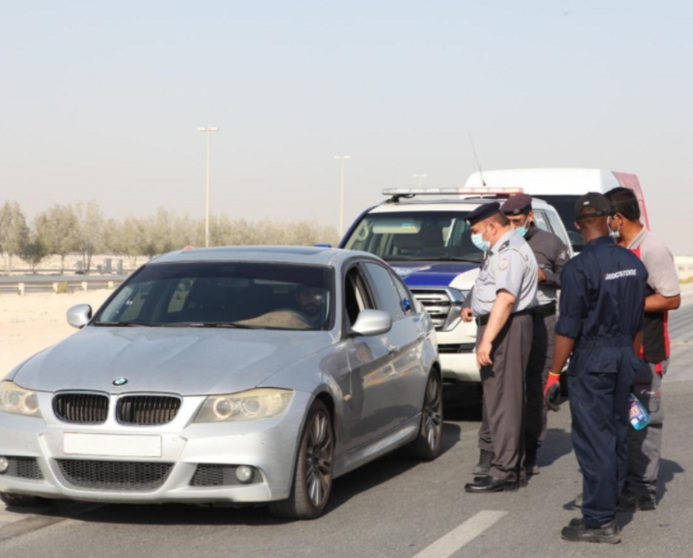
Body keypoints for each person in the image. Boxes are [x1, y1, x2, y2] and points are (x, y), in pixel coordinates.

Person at [543, 192, 647, 544]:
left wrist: (555, 374)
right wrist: (631, 362)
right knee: (617, 432)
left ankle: (599, 519)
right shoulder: (633, 262)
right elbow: (637, 323)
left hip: (594, 358)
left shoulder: (577, 268)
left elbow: (567, 328)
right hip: (624, 355)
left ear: (577, 226)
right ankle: (611, 500)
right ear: (609, 219)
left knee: (593, 440)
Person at [605, 187, 681, 511]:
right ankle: (621, 484)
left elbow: (672, 297)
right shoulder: (615, 247)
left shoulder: (652, 249)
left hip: (646, 353)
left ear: (618, 218)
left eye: (607, 216)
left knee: (643, 421)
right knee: (619, 420)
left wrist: (629, 305)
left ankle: (643, 488)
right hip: (617, 351)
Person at [460, 202, 538, 493]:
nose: (476, 236)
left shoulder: (510, 253)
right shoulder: (499, 249)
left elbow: (505, 299)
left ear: (492, 227)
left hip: (507, 328)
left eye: (477, 231)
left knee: (505, 400)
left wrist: (488, 339)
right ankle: (505, 466)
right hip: (502, 325)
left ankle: (505, 471)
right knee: (499, 400)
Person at [501, 193, 570, 475]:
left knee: (536, 384)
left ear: (530, 216)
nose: (514, 225)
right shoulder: (500, 243)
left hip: (542, 319)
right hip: (510, 320)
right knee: (507, 386)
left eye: (518, 220)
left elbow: (569, 278)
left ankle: (531, 450)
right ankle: (502, 450)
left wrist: (547, 277)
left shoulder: (551, 243)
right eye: (509, 221)